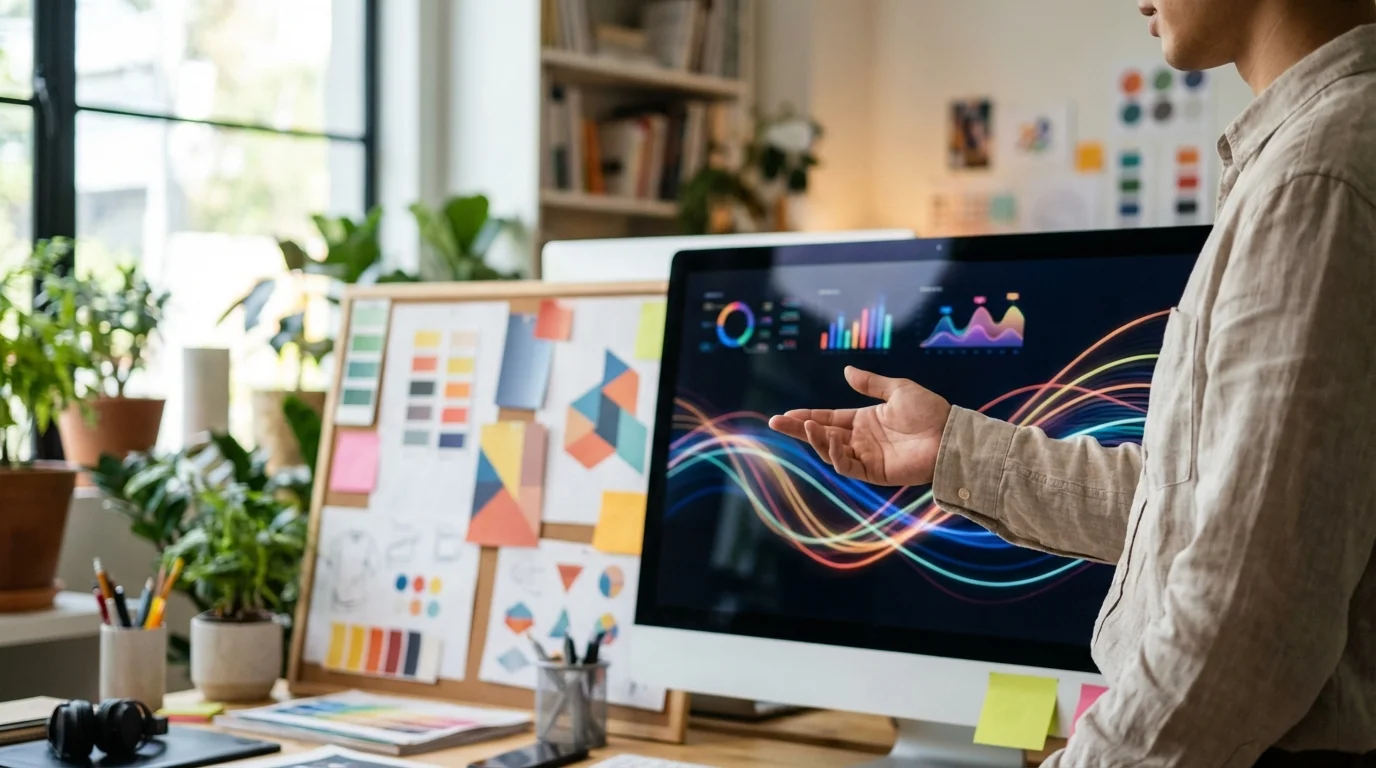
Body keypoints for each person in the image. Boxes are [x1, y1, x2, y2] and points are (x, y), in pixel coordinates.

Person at [770, 1, 1376, 766]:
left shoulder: (1316, 179)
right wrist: (952, 448)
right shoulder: (1309, 155)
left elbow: (1247, 614)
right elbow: (1193, 502)